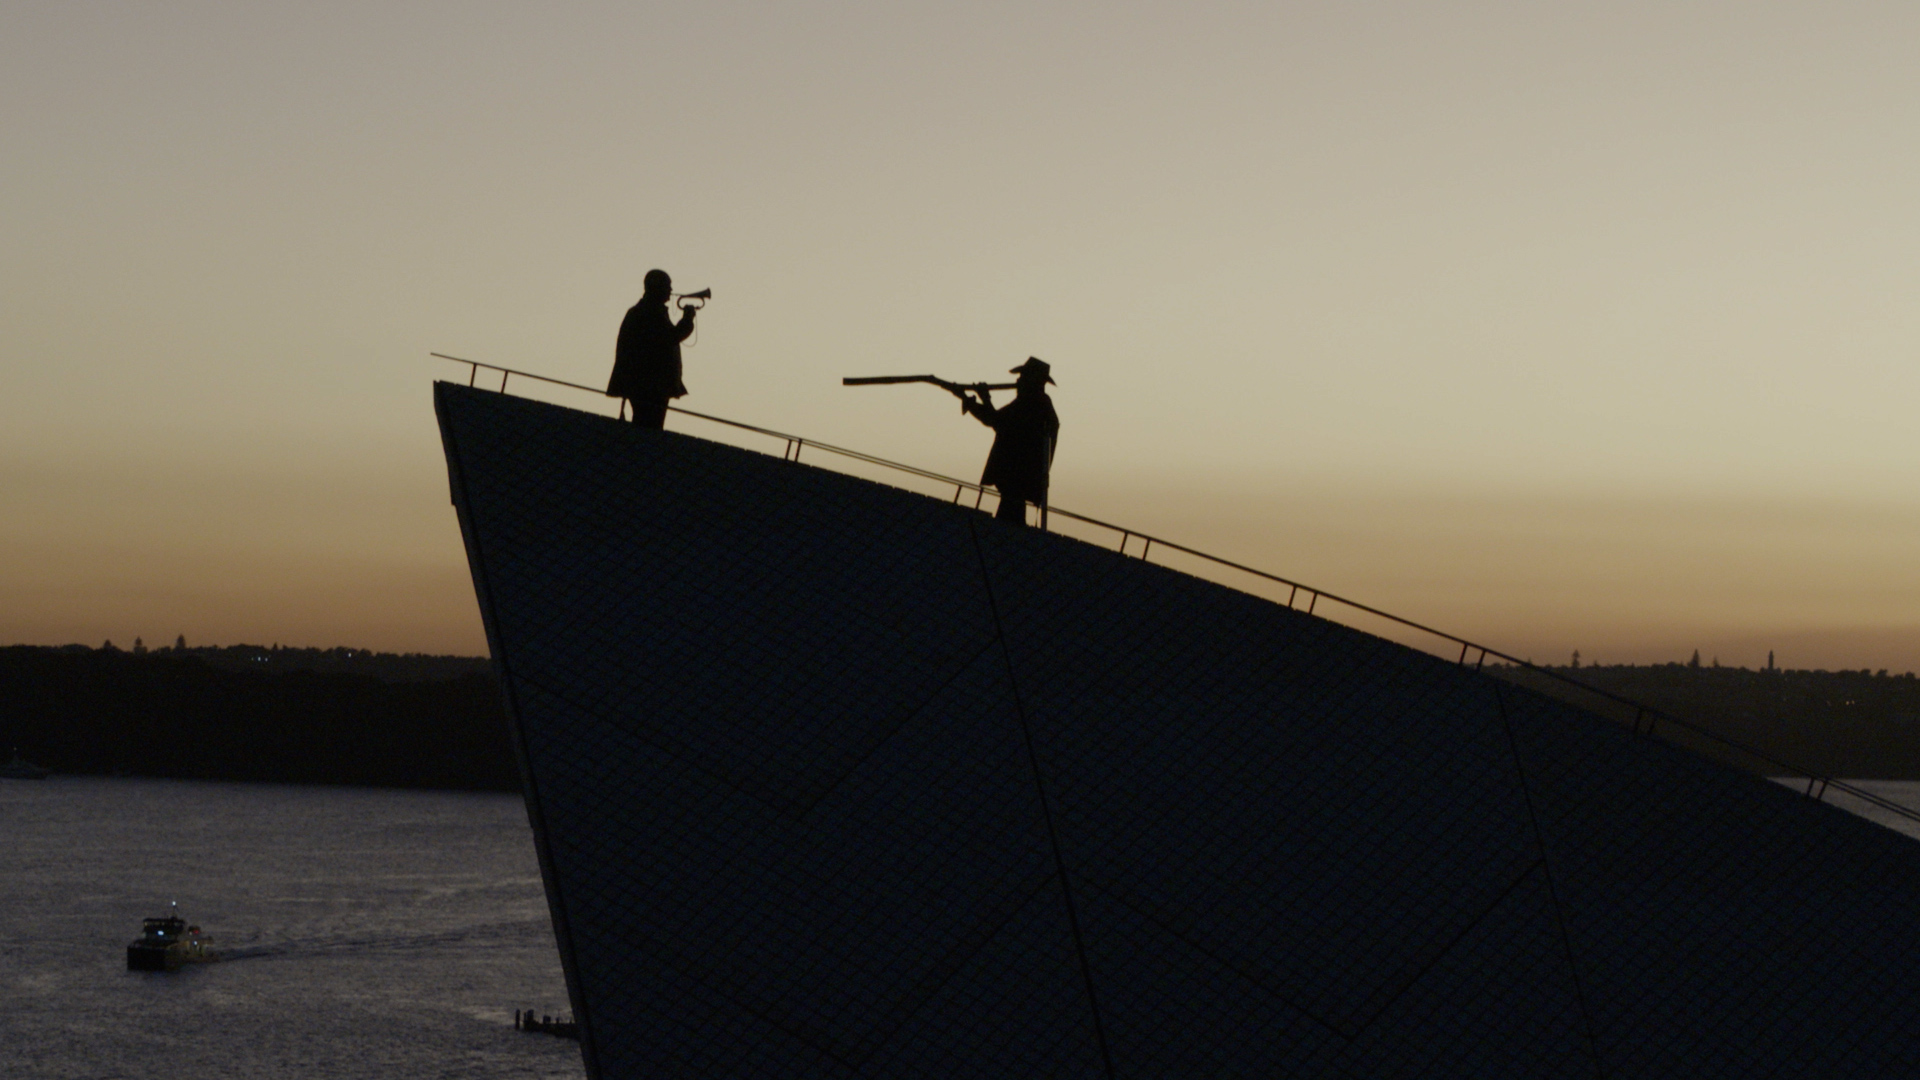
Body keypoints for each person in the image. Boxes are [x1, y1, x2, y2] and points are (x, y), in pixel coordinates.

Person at [961, 357, 1060, 525]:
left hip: (1017, 478)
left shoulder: (1034, 404)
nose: (1018, 380)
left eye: (1023, 376)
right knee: (1010, 518)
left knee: (1009, 523)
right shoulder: (1033, 403)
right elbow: (996, 419)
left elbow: (997, 421)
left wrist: (984, 399)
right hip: (1015, 480)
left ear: (1033, 380)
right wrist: (972, 402)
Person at [607, 269, 696, 428]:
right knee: (649, 430)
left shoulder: (644, 311)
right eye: (667, 286)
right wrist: (687, 319)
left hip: (648, 385)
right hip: (650, 386)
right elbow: (670, 337)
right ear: (657, 287)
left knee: (647, 428)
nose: (671, 290)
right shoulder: (649, 313)